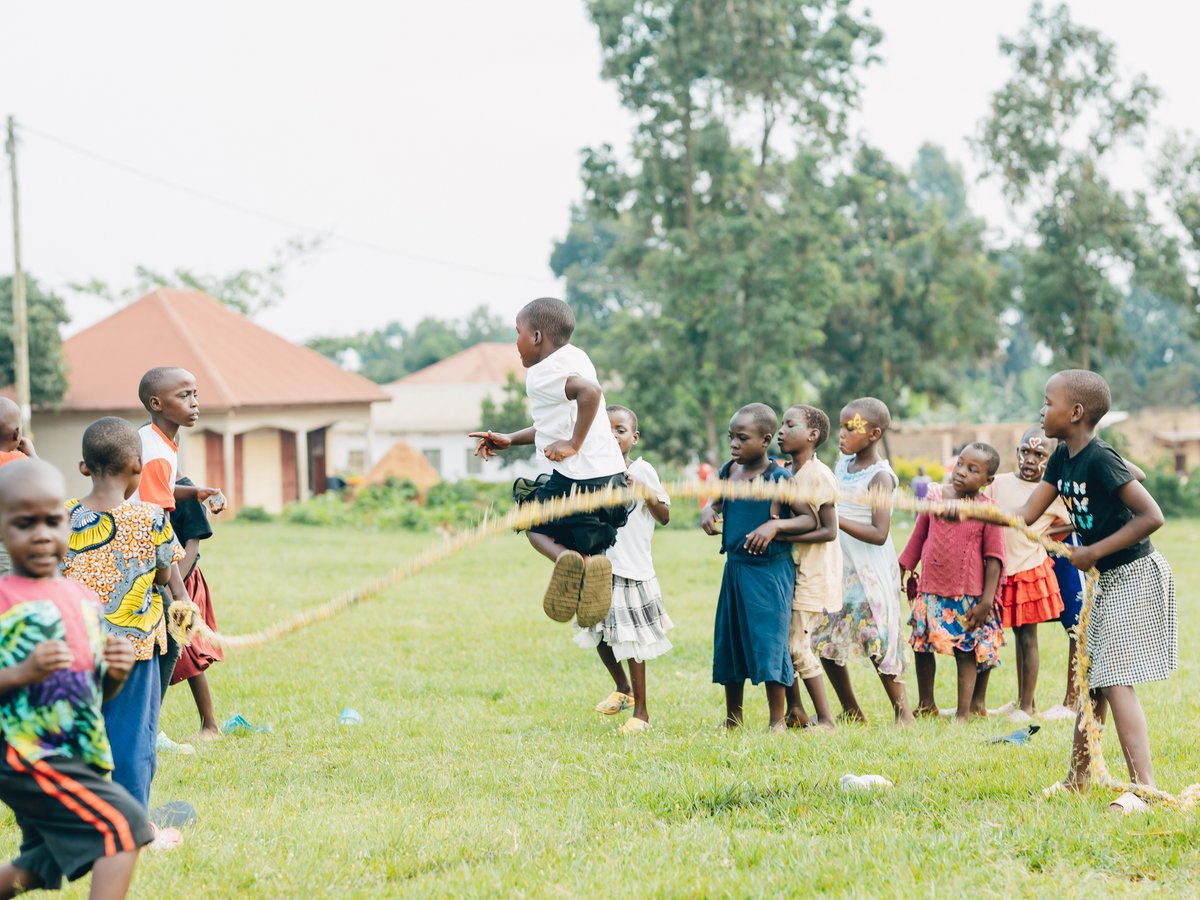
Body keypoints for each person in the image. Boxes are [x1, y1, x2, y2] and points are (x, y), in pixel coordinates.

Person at [1021, 370, 1175, 814]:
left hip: (1133, 573)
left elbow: (1152, 515)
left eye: (1048, 402)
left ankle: (1143, 787)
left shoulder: (1099, 457)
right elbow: (1027, 513)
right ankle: (1078, 779)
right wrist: (970, 511)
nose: (1041, 410)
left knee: (1112, 677)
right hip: (1104, 576)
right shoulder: (1062, 459)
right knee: (1091, 680)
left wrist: (1091, 550)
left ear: (1075, 412)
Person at [0, 458, 152, 896]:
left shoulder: (83, 599)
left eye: (53, 521)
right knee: (125, 825)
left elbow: (93, 692)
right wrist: (22, 672)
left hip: (76, 750)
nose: (42, 534)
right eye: (25, 524)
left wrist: (115, 673)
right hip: (27, 753)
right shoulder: (5, 600)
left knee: (40, 864)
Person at [59, 418, 186, 849]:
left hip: (74, 651)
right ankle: (135, 828)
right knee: (133, 739)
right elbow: (163, 575)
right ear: (138, 465)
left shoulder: (63, 517)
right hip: (133, 650)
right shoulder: (150, 517)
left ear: (83, 467)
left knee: (77, 735)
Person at [470, 298, 628, 628]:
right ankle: (587, 562)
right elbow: (553, 425)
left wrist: (573, 444)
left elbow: (590, 392)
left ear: (538, 337)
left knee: (531, 521)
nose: (516, 342)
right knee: (586, 537)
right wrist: (511, 439)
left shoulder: (541, 375)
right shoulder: (576, 357)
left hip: (578, 478)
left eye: (518, 333)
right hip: (611, 477)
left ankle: (571, 562)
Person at [702, 404, 814, 733]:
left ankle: (777, 719)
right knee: (730, 639)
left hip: (769, 572)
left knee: (769, 641)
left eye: (742, 438)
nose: (734, 444)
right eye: (730, 437)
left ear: (765, 440)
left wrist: (774, 527)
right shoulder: (728, 471)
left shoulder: (779, 477)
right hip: (735, 569)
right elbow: (718, 501)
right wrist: (709, 510)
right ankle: (732, 717)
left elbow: (809, 518)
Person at [132, 367, 222, 754]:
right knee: (168, 643)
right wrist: (179, 592)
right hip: (136, 563)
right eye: (184, 396)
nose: (195, 402)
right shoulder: (153, 452)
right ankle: (144, 731)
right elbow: (155, 526)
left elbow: (165, 491)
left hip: (144, 560)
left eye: (195, 394)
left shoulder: (161, 439)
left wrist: (196, 491)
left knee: (164, 643)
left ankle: (142, 728)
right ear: (157, 404)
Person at [810, 398, 913, 726]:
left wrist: (834, 519)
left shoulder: (881, 477)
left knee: (877, 639)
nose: (841, 435)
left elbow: (879, 532)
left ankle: (903, 713)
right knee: (823, 638)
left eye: (849, 428)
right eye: (841, 427)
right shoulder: (842, 463)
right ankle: (851, 709)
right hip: (839, 568)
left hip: (868, 573)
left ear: (874, 434)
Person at [573, 406, 671, 735]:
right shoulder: (591, 474)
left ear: (634, 437)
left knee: (631, 641)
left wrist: (642, 489)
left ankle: (641, 714)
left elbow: (665, 514)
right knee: (597, 629)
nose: (614, 437)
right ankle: (623, 688)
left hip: (632, 568)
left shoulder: (643, 470)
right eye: (606, 431)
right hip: (600, 567)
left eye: (621, 430)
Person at [900, 443, 1006, 722]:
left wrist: (986, 600)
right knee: (922, 647)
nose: (961, 472)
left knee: (965, 650)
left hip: (968, 594)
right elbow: (918, 536)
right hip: (931, 589)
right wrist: (903, 567)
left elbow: (994, 558)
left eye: (973, 470)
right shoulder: (935, 497)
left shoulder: (989, 510)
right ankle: (926, 703)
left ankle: (963, 712)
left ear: (987, 481)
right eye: (960, 464)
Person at [984, 427, 1069, 721]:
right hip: (1002, 571)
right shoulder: (999, 483)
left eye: (1039, 454)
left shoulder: (1050, 492)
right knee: (1017, 635)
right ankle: (1025, 703)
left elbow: (1072, 523)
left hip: (1030, 570)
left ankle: (1025, 707)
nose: (1030, 459)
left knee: (1028, 638)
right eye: (1025, 452)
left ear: (1051, 458)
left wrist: (1043, 533)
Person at [773, 404, 840, 730]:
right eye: (781, 425)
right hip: (790, 574)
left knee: (797, 647)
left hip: (812, 574)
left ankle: (826, 719)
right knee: (784, 645)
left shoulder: (819, 475)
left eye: (790, 425)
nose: (781, 431)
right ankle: (796, 711)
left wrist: (781, 535)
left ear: (812, 435)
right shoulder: (786, 472)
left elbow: (829, 530)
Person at [168, 476, 224, 742]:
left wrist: (174, 587)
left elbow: (192, 548)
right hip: (155, 582)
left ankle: (210, 725)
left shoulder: (187, 493)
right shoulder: (147, 488)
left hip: (184, 583)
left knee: (188, 651)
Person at [0, 397, 37, 577]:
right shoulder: (19, 461)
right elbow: (45, 482)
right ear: (16, 434)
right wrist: (33, 455)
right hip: (6, 543)